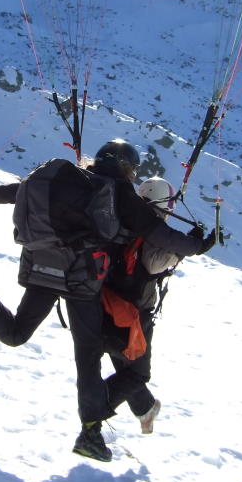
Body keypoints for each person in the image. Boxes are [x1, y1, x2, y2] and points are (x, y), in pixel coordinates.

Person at [0, 140, 216, 461]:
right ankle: (90, 435)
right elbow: (158, 234)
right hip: (81, 276)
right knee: (89, 358)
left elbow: (21, 190)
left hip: (42, 261)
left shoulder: (74, 179)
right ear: (126, 167)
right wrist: (199, 245)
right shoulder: (120, 192)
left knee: (16, 333)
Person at [101, 176, 188, 436]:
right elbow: (155, 265)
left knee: (122, 361)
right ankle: (94, 404)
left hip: (108, 301)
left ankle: (145, 408)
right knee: (137, 372)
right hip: (136, 313)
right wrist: (184, 247)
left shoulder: (125, 219)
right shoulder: (153, 234)